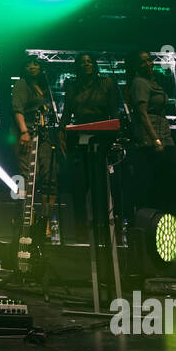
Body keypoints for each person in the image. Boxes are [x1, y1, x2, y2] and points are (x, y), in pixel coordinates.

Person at [60, 52, 120, 243]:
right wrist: (62, 133)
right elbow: (67, 112)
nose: (86, 65)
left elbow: (112, 111)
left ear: (94, 64)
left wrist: (113, 133)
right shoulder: (72, 86)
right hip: (78, 137)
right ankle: (80, 231)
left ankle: (104, 227)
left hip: (102, 136)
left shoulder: (106, 83)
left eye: (89, 62)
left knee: (101, 183)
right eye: (82, 62)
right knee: (79, 184)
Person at [11, 56, 59, 238]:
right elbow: (18, 109)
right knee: (25, 177)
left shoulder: (44, 88)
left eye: (36, 64)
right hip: (27, 134)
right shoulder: (22, 84)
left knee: (49, 177)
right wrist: (24, 131)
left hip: (44, 136)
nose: (32, 66)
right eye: (28, 63)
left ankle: (45, 221)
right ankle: (22, 217)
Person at [124, 50, 175, 212]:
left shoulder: (152, 81)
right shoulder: (139, 83)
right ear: (137, 67)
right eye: (143, 62)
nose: (149, 63)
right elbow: (142, 113)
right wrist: (156, 139)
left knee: (167, 177)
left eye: (149, 60)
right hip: (151, 136)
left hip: (163, 131)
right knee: (159, 177)